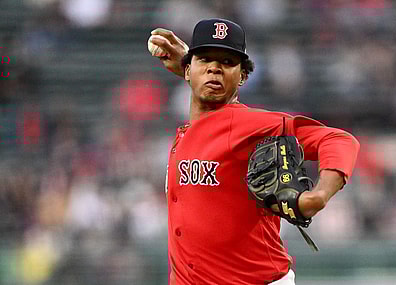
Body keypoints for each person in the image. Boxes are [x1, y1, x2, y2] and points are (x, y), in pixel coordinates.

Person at [150, 18, 360, 285]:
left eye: (227, 62)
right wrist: (192, 69)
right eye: (205, 59)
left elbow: (339, 139)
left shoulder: (249, 126)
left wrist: (318, 196)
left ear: (243, 77)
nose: (215, 68)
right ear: (188, 69)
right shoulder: (190, 131)